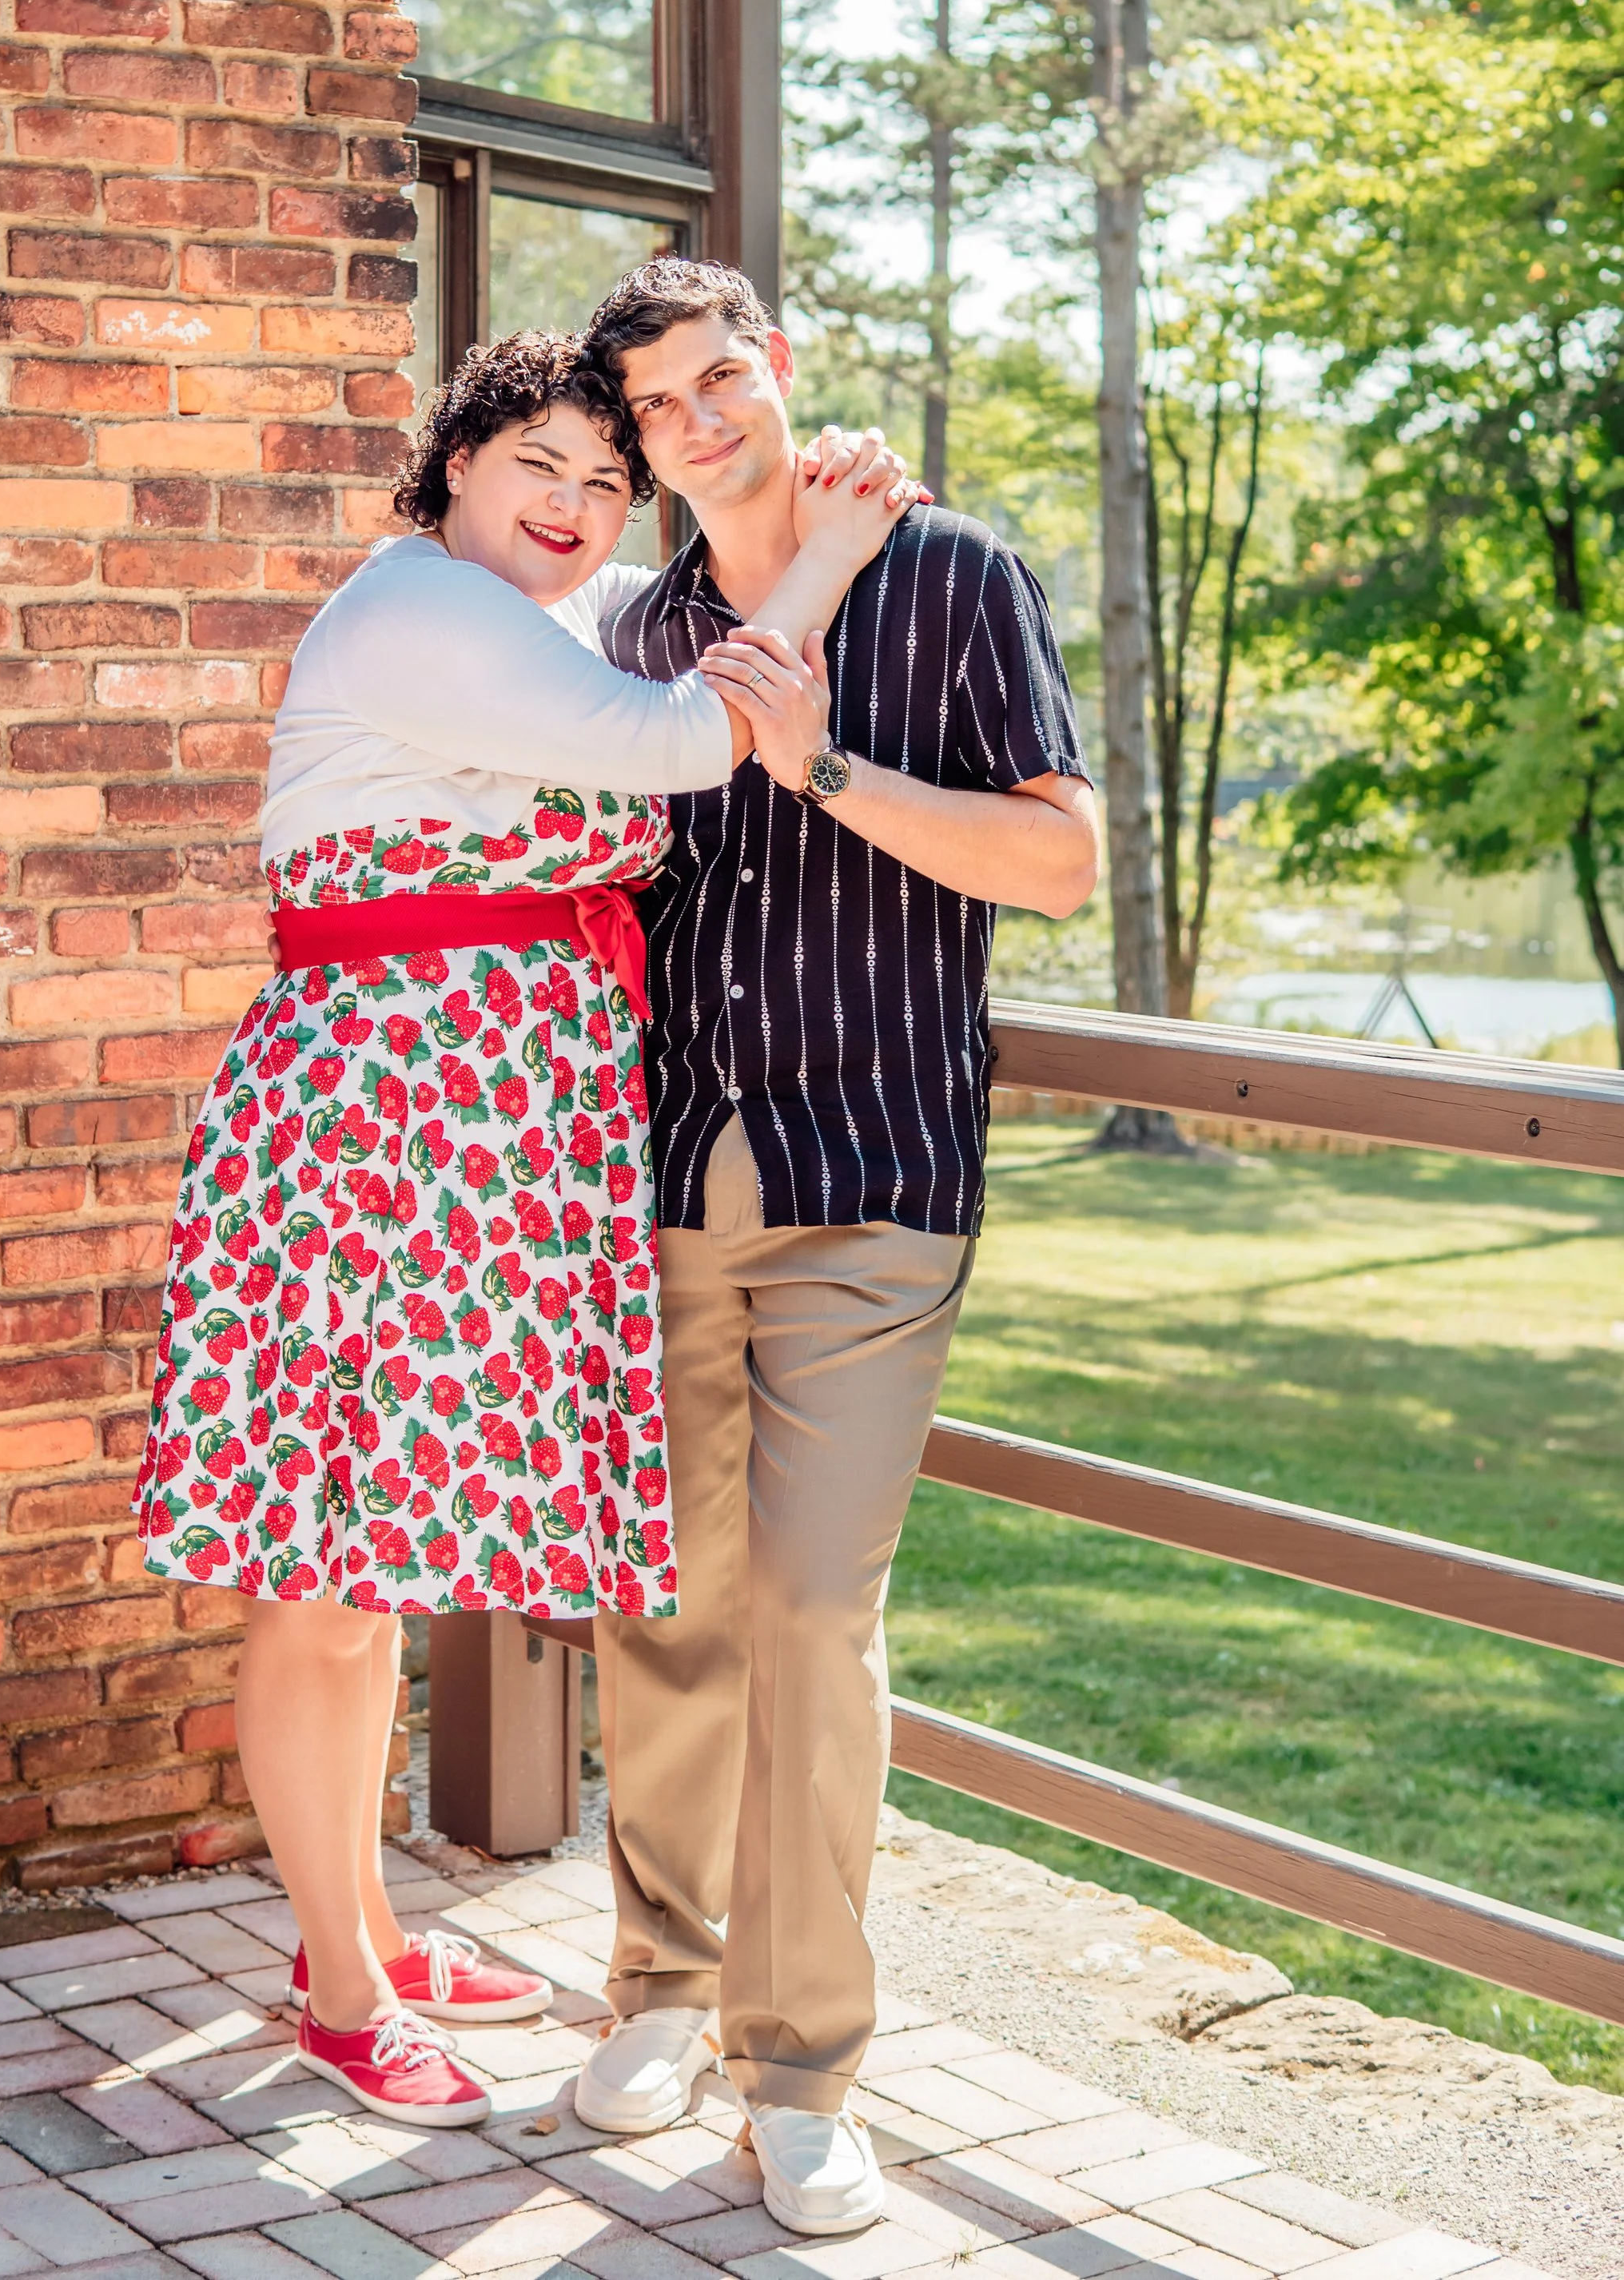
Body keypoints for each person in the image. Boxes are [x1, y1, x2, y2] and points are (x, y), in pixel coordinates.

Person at [133, 328, 920, 2133]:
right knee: (327, 1585)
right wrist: (833, 550)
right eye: (533, 470)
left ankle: (375, 1937)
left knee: (371, 1573)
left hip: (471, 1141)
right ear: (452, 473)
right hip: (372, 1135)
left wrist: (793, 486)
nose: (571, 508)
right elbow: (677, 735)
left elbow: (690, 598)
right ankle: (341, 1988)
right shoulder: (420, 611)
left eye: (598, 479)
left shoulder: (536, 618)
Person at [572, 261, 1100, 2238]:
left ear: (774, 373)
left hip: (871, 1180)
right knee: (665, 1609)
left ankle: (796, 2075)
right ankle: (658, 1981)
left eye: (723, 379)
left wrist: (825, 771)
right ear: (634, 446)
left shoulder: (949, 575)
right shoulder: (638, 629)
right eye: (661, 407)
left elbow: (1056, 860)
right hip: (658, 1177)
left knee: (805, 1614)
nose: (701, 422)